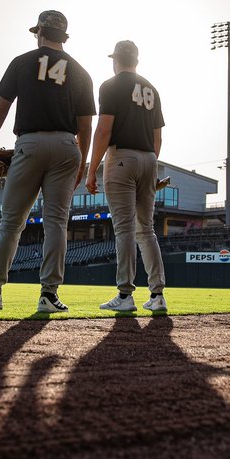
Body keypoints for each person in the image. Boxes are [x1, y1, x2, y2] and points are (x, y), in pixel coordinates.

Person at [0, 9, 95, 313]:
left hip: (30, 142)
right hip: (66, 146)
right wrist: (82, 163)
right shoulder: (81, 71)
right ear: (64, 36)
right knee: (57, 224)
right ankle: (49, 294)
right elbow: (85, 126)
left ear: (40, 33)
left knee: (11, 221)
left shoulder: (22, 61)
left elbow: (1, 107)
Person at [85, 40, 166, 313]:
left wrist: (91, 168)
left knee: (124, 229)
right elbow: (158, 137)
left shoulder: (111, 85)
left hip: (121, 157)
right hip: (149, 157)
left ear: (115, 60)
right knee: (147, 230)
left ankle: (124, 294)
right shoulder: (151, 88)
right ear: (137, 60)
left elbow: (104, 131)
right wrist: (150, 166)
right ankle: (157, 295)